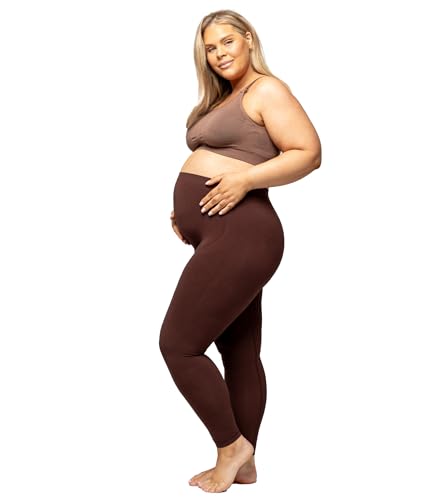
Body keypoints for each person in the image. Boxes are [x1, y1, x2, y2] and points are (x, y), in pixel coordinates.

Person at [159, 9, 321, 494]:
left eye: (227, 41)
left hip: (245, 234)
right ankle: (245, 463)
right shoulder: (225, 99)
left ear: (248, 39)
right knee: (239, 349)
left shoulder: (266, 90)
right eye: (210, 48)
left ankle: (231, 447)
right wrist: (187, 212)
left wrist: (245, 180)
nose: (219, 53)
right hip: (223, 235)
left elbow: (308, 153)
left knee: (178, 345)